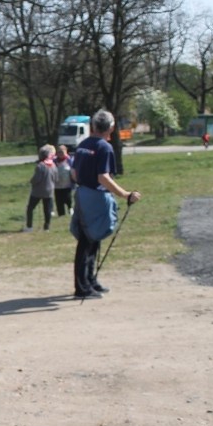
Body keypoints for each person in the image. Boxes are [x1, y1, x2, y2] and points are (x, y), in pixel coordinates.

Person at [70, 110, 142, 299]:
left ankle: (90, 280)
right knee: (88, 241)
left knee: (91, 240)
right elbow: (103, 177)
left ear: (93, 126)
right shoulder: (104, 148)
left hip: (82, 194)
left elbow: (74, 174)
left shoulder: (83, 144)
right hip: (95, 196)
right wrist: (125, 194)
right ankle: (82, 286)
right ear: (111, 127)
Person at [23, 144, 57, 232]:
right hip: (49, 190)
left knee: (30, 208)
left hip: (38, 191)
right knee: (47, 210)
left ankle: (29, 227)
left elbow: (36, 179)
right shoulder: (53, 165)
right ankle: (46, 227)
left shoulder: (40, 165)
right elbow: (56, 178)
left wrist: (31, 181)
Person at [53, 145, 74, 217]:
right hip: (57, 185)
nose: (60, 153)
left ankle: (70, 208)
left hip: (67, 184)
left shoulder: (69, 160)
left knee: (68, 197)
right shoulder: (54, 161)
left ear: (66, 152)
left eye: (62, 152)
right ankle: (61, 214)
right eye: (58, 152)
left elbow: (73, 171)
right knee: (59, 200)